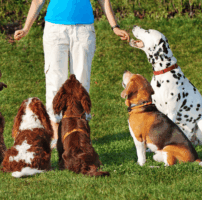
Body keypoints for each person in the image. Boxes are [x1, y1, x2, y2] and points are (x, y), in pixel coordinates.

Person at [14, 0, 130, 148]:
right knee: (55, 81)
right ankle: (56, 135)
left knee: (81, 83)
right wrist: (26, 28)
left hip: (83, 30)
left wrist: (115, 26)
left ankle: (81, 132)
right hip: (55, 30)